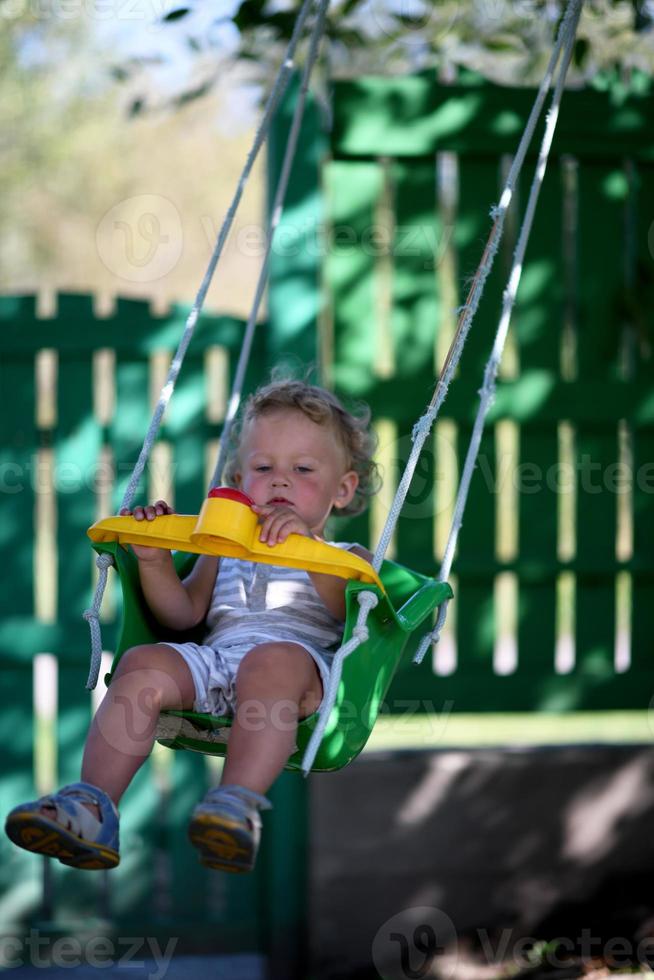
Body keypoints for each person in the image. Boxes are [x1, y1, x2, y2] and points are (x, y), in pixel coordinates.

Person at [5, 379, 379, 874]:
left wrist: (306, 547)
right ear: (239, 482)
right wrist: (154, 560)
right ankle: (93, 807)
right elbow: (184, 616)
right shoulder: (222, 554)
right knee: (142, 663)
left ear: (343, 488)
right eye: (263, 468)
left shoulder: (345, 559)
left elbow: (347, 615)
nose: (280, 481)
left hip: (297, 681)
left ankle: (234, 806)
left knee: (270, 662)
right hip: (217, 666)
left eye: (303, 469)